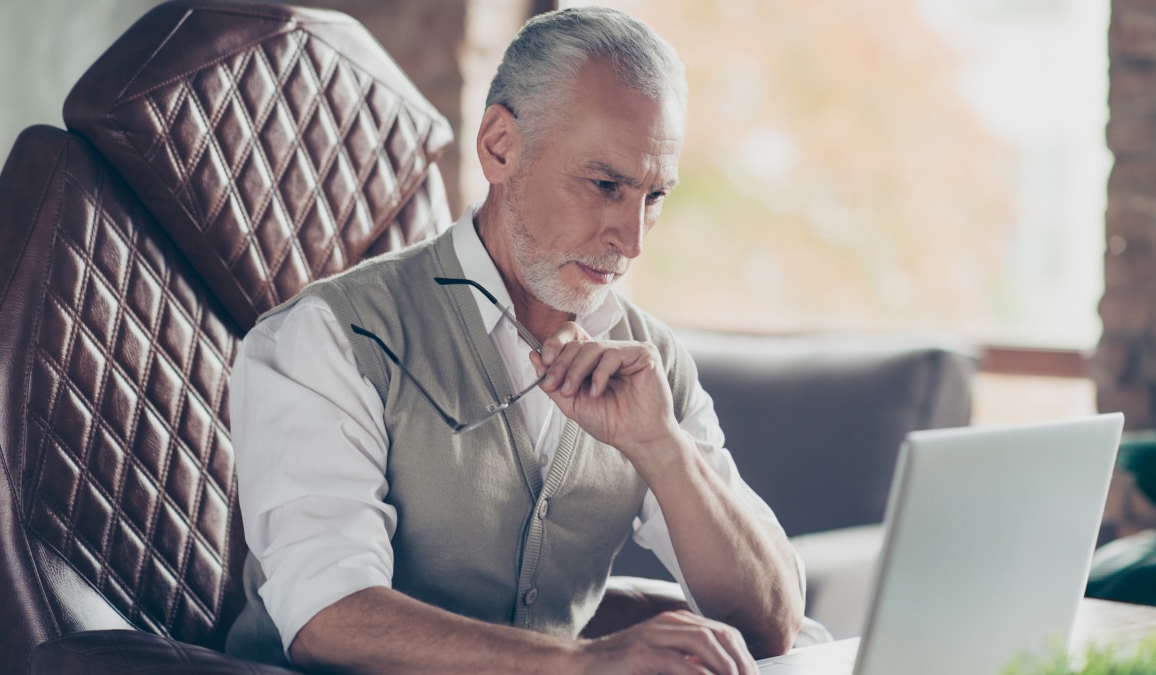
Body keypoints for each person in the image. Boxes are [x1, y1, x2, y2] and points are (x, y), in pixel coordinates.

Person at [226, 7, 807, 674]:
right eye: (606, 185)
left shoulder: (652, 361)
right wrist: (584, 662)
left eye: (652, 196)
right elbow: (328, 615)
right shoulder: (329, 337)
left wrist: (663, 449)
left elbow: (774, 620)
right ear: (501, 145)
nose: (633, 239)